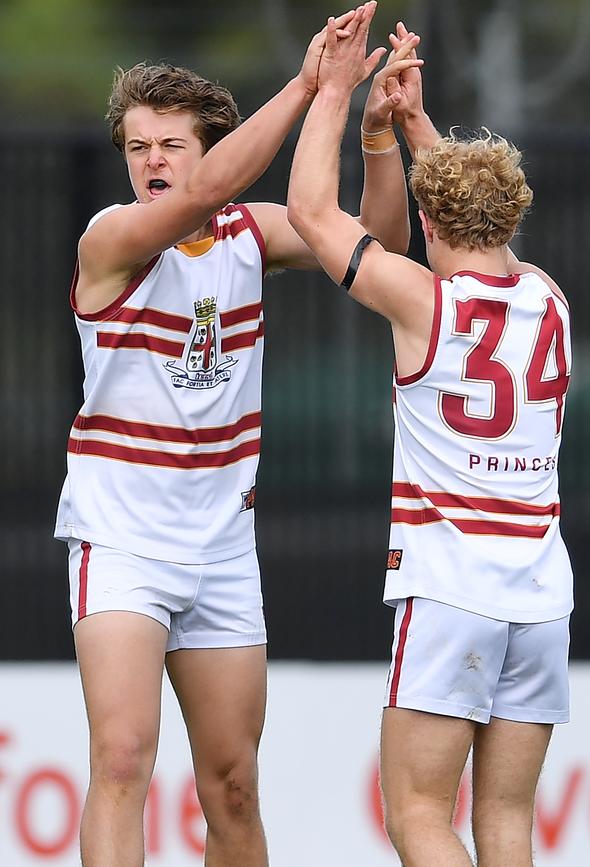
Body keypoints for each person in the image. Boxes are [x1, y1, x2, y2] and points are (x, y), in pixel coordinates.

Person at [53, 5, 413, 866]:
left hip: (219, 544)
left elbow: (383, 247)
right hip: (122, 536)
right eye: (138, 146)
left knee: (234, 786)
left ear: (205, 146)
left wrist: (366, 133)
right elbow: (208, 194)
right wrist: (306, 84)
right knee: (121, 759)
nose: (152, 163)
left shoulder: (250, 236)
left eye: (170, 145)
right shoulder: (111, 238)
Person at [287, 19, 573, 867]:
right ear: (510, 215)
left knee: (415, 812)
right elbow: (473, 217)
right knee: (508, 823)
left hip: (454, 591)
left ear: (429, 217)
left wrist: (337, 89)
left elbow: (309, 211)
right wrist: (415, 127)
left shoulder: (426, 303)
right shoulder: (549, 300)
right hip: (543, 596)